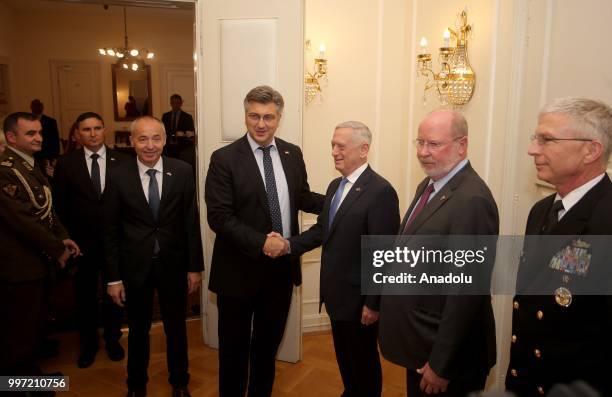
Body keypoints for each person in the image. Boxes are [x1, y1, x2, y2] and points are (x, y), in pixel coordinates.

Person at [204, 85, 324, 396]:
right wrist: (262, 242)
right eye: (254, 116)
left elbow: (303, 197)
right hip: (238, 273)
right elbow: (219, 216)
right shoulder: (224, 158)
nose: (261, 124)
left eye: (268, 117)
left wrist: (342, 199)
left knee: (266, 351)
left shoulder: (291, 153)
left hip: (280, 273)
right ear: (245, 116)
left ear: (279, 118)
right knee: (233, 353)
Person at [379, 110, 499, 397]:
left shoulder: (473, 200)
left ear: (462, 145)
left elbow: (466, 293)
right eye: (419, 142)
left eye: (433, 144)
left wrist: (441, 364)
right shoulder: (431, 184)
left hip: (446, 358)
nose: (423, 152)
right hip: (421, 343)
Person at [284, 121, 400, 397]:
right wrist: (287, 246)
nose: (334, 151)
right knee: (347, 361)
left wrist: (373, 303)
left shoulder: (380, 191)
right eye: (332, 145)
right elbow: (323, 230)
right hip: (337, 297)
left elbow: (383, 254)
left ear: (363, 149)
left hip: (360, 301)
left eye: (341, 146)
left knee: (364, 363)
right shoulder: (337, 185)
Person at [506, 98, 612, 397]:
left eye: (547, 140)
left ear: (591, 150)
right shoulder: (541, 210)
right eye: (535, 138)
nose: (532, 149)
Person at [104, 116, 203, 397]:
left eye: (156, 138)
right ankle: (136, 386)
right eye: (142, 139)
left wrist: (194, 268)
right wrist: (113, 278)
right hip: (134, 268)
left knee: (176, 329)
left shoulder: (182, 171)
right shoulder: (117, 175)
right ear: (132, 141)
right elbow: (109, 231)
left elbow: (190, 223)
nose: (150, 145)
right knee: (137, 331)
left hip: (174, 266)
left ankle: (180, 382)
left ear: (165, 139)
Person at [0, 112, 80, 385]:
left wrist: (63, 236)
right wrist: (57, 248)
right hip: (19, 265)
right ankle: (20, 387)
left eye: (39, 133)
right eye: (30, 134)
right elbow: (21, 220)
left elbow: (46, 209)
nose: (38, 138)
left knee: (33, 326)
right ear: (11, 137)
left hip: (36, 260)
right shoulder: (5, 170)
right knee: (19, 333)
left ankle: (32, 378)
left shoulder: (29, 165)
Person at [53, 112, 129, 369]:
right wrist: (65, 238)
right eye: (86, 129)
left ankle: (113, 339)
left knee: (115, 294)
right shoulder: (66, 164)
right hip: (82, 245)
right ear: (77, 133)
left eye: (97, 128)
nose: (93, 133)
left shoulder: (124, 161)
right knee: (84, 297)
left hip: (117, 244)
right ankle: (88, 345)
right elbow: (60, 207)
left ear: (105, 130)